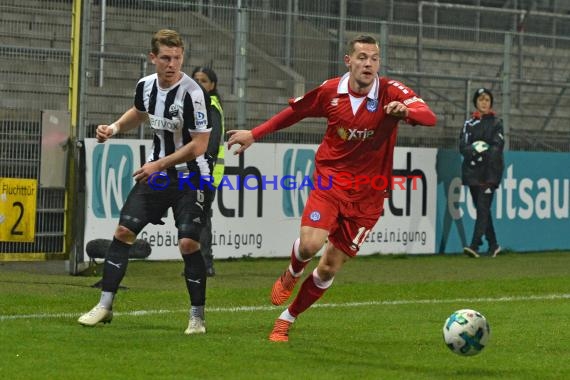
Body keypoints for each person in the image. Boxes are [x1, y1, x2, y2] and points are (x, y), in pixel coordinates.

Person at [227, 34, 437, 342]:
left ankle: (287, 318)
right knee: (310, 246)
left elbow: (429, 117)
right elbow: (295, 112)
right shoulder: (330, 91)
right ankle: (293, 271)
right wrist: (255, 134)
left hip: (369, 194)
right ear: (348, 61)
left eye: (374, 58)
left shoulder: (392, 91)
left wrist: (406, 112)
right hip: (331, 181)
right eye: (362, 57)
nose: (369, 63)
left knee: (328, 268)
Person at [78, 29, 213, 335]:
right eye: (166, 57)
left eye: (177, 58)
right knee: (124, 231)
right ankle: (104, 306)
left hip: (193, 177)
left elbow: (200, 145)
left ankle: (197, 317)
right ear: (153, 58)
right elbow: (139, 114)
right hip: (158, 174)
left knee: (189, 242)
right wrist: (113, 128)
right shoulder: (146, 86)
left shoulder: (194, 94)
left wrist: (158, 164)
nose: (172, 63)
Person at [460, 87, 504, 258]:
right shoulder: (468, 124)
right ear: (475, 103)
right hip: (472, 172)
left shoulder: (496, 123)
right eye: (481, 100)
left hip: (490, 172)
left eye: (487, 100)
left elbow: (497, 147)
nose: (484, 103)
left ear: (491, 103)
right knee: (481, 209)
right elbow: (462, 147)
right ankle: (494, 245)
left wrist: (482, 150)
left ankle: (475, 245)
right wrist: (473, 148)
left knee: (483, 207)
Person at [192, 66, 225, 277]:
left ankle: (206, 263)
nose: (198, 84)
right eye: (195, 80)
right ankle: (197, 262)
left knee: (201, 218)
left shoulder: (211, 106)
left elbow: (211, 144)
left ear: (212, 85)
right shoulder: (197, 105)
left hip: (207, 172)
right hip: (196, 170)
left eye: (203, 81)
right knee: (194, 217)